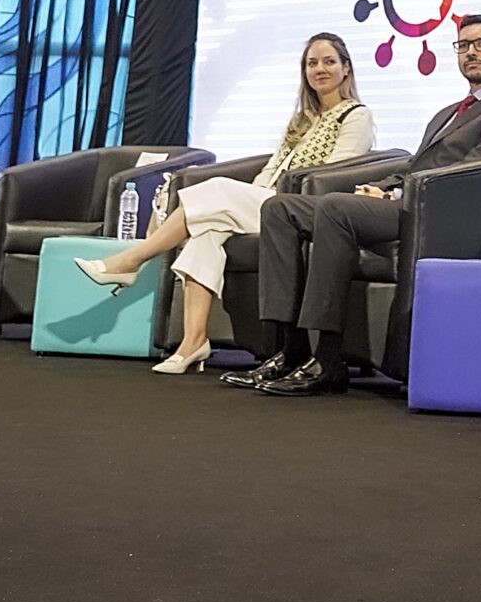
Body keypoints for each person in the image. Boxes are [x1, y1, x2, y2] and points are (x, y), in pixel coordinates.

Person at [227, 13, 481, 396]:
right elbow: (415, 165)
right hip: (408, 204)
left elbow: (477, 173)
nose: (471, 52)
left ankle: (327, 360)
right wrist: (378, 187)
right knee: (280, 209)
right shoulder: (448, 113)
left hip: (439, 215)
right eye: (464, 45)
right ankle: (287, 350)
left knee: (335, 208)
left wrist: (399, 195)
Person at [71, 33, 376, 373]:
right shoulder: (302, 119)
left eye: (329, 62)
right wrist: (247, 198)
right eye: (312, 63)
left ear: (346, 69)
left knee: (217, 189)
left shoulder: (356, 115)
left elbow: (336, 174)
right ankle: (193, 343)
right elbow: (270, 169)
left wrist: (251, 197)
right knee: (206, 233)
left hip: (302, 207)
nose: (320, 69)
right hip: (266, 202)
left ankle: (132, 260)